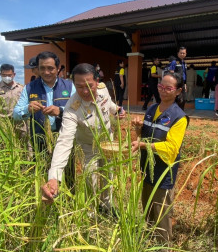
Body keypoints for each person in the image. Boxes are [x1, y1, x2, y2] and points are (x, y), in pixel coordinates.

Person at [41, 63, 126, 209]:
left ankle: (107, 205)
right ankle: (91, 210)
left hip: (108, 143)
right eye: (79, 87)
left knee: (108, 174)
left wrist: (117, 110)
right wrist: (54, 177)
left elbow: (109, 104)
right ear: (74, 84)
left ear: (97, 82)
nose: (85, 91)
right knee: (90, 177)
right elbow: (64, 141)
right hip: (88, 147)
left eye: (89, 85)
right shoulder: (71, 109)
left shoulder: (103, 89)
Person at [131, 72, 189, 245]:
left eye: (168, 88)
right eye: (160, 87)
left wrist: (143, 146)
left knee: (161, 213)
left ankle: (163, 246)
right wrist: (138, 128)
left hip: (163, 173)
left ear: (178, 91)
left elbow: (171, 148)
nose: (163, 91)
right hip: (147, 169)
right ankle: (149, 243)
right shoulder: (151, 109)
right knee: (148, 208)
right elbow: (145, 136)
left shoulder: (179, 117)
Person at [13, 51, 76, 153]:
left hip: (65, 140)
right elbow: (15, 114)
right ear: (38, 68)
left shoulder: (69, 86)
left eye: (50, 68)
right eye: (42, 68)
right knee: (42, 167)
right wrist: (28, 109)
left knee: (66, 168)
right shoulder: (29, 87)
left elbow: (78, 110)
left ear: (58, 68)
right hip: (39, 142)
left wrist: (60, 110)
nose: (46, 72)